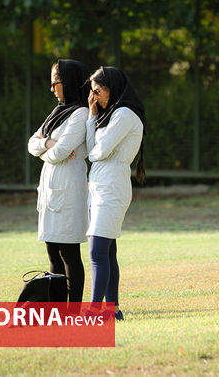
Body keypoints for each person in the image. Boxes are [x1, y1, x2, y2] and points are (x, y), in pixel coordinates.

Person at [27, 59, 90, 311]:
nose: (52, 88)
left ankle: (72, 311)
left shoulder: (80, 112)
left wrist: (48, 147)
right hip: (50, 188)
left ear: (70, 82)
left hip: (69, 187)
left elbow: (61, 152)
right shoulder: (57, 112)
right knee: (52, 251)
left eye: (56, 81)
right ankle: (56, 311)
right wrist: (48, 146)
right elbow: (32, 143)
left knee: (69, 253)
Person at [85, 66, 146, 320]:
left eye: (98, 91)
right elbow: (93, 149)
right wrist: (91, 117)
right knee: (107, 252)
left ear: (113, 88)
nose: (94, 97)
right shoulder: (108, 115)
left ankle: (93, 311)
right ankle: (113, 311)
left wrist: (96, 148)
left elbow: (100, 151)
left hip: (112, 187)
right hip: (99, 185)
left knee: (97, 251)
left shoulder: (124, 114)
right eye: (92, 91)